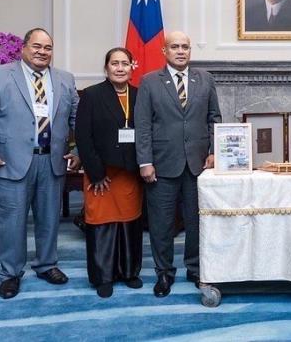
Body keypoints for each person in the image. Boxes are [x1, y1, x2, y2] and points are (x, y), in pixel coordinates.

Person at [0, 27, 80, 299]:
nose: (43, 52)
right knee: (11, 221)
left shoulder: (65, 79)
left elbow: (80, 118)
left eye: (48, 48)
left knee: (49, 219)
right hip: (11, 162)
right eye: (37, 46)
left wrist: (79, 151)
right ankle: (10, 273)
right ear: (23, 47)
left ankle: (46, 264)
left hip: (51, 161)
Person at [134, 31, 221, 298]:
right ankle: (164, 272)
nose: (181, 51)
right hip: (161, 165)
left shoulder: (205, 79)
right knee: (161, 223)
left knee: (197, 221)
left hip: (198, 166)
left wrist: (215, 151)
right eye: (175, 47)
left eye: (185, 46)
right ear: (164, 51)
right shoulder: (149, 82)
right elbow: (143, 125)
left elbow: (214, 118)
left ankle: (194, 269)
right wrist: (145, 161)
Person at [75, 47, 144, 298]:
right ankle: (103, 277)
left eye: (125, 63)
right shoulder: (92, 95)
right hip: (101, 174)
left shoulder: (139, 95)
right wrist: (95, 173)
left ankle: (129, 272)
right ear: (106, 68)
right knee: (101, 224)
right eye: (114, 63)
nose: (120, 68)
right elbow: (83, 136)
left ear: (131, 67)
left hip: (129, 172)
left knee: (129, 223)